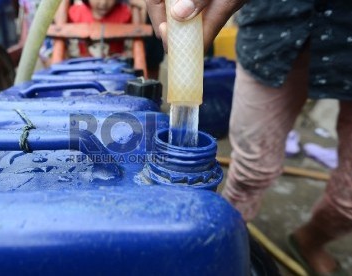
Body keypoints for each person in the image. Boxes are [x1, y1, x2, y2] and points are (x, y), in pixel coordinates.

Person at [146, 0, 352, 275]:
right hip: (275, 35)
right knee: (251, 170)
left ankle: (309, 241)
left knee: (348, 199)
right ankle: (225, 238)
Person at [68, 0, 144, 57]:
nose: (103, 3)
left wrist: (139, 4)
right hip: (83, 69)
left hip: (115, 69)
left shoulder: (124, 13)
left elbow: (140, 29)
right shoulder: (76, 13)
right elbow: (57, 21)